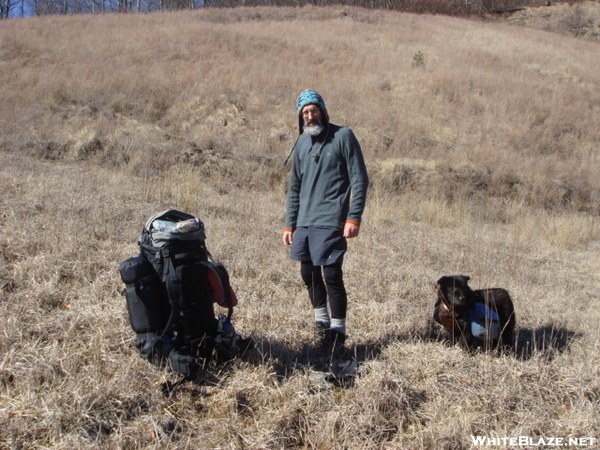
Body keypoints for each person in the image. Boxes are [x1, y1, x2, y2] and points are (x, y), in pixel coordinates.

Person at [282, 89, 369, 351]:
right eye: (305, 112)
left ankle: (338, 332)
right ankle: (321, 325)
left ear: (323, 110)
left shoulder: (343, 136)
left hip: (332, 219)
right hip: (304, 222)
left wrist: (353, 217)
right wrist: (290, 223)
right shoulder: (300, 143)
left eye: (314, 110)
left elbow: (359, 178)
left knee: (331, 275)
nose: (310, 116)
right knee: (308, 274)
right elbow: (294, 187)